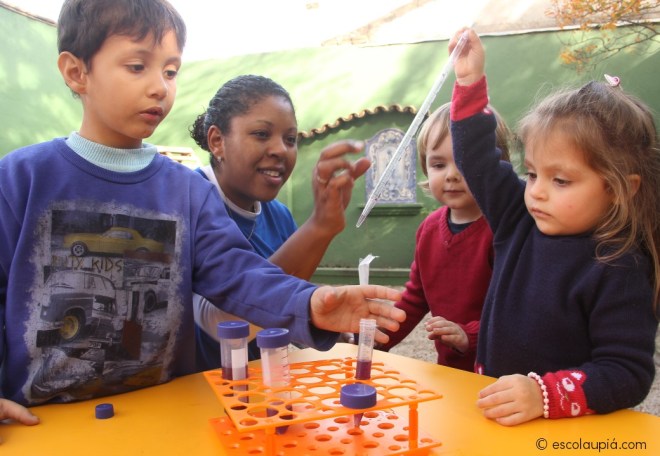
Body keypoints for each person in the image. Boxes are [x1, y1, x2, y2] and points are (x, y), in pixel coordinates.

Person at [0, 0, 405, 428]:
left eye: (170, 71)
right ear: (76, 72)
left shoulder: (188, 192)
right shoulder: (21, 179)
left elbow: (239, 275)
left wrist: (309, 302)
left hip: (169, 419)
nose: (160, 87)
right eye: (137, 66)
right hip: (41, 424)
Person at [448, 28, 659, 425]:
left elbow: (627, 373)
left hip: (564, 437)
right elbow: (477, 159)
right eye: (531, 173)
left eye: (560, 180)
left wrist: (543, 395)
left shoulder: (619, 265)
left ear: (620, 190)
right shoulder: (518, 218)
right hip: (498, 422)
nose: (537, 192)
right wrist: (469, 81)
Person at [189, 75, 371, 370]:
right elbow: (221, 325)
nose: (280, 150)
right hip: (200, 385)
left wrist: (322, 324)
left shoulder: (279, 216)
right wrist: (318, 228)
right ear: (217, 141)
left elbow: (287, 306)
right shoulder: (188, 203)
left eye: (290, 139)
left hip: (266, 382)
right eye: (262, 134)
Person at [378, 101, 511, 372]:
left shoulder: (505, 229)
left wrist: (469, 335)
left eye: (466, 162)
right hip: (451, 370)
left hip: (503, 374)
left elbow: (515, 310)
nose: (452, 175)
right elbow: (415, 298)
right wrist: (374, 339)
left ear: (496, 166)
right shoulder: (429, 229)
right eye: (438, 164)